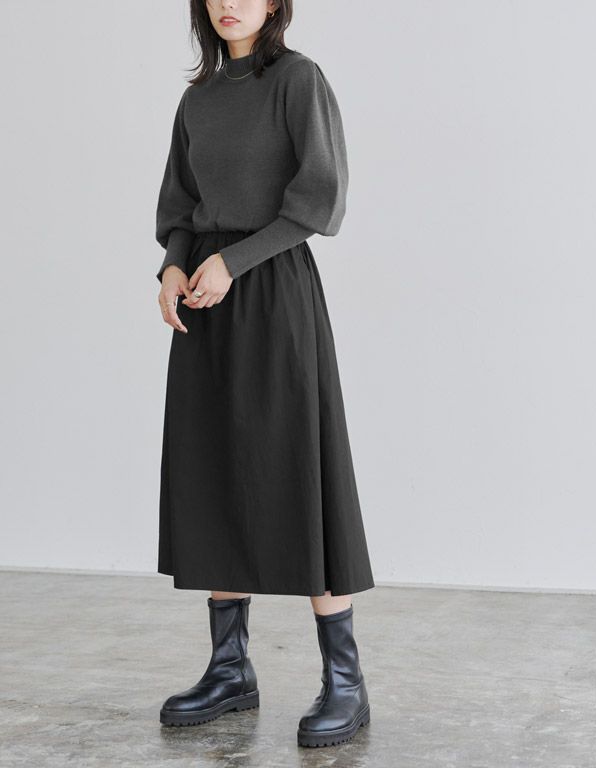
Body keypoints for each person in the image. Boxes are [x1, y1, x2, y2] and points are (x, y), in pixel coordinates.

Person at [154, 0, 375, 748]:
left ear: (276, 2)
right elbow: (181, 200)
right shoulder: (198, 99)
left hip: (274, 292)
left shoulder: (298, 81)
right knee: (217, 470)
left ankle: (345, 681)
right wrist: (173, 266)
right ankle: (230, 669)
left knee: (299, 469)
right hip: (205, 300)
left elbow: (318, 198)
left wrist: (233, 261)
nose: (229, 3)